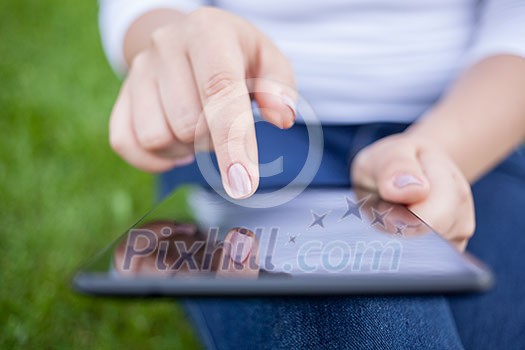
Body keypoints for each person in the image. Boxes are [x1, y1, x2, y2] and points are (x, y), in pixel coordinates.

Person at [99, 1, 525, 348]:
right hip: (250, 131)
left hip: (475, 122)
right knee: (366, 317)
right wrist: (181, 50)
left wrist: (442, 149)